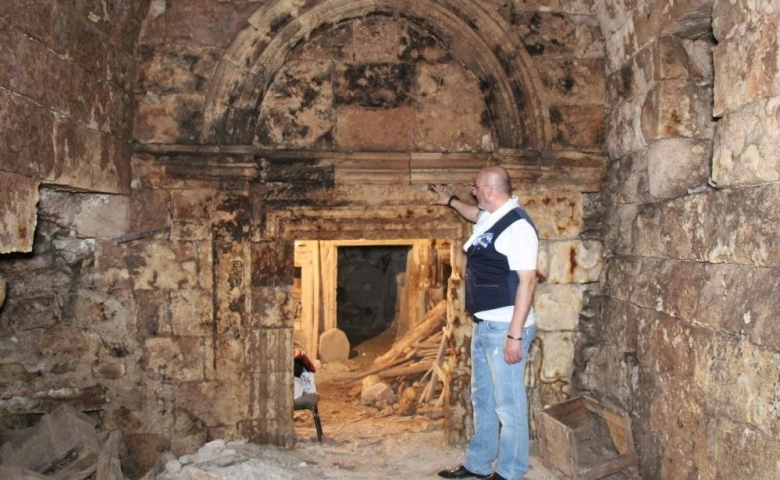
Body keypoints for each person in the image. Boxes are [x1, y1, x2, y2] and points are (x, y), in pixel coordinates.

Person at [431, 165, 539, 480]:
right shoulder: (494, 217)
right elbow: (475, 215)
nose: (474, 192)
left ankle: (510, 472)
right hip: (485, 326)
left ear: (490, 190)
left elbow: (528, 282)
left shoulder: (518, 227)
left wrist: (515, 336)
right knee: (484, 399)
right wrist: (449, 201)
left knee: (509, 405)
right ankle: (478, 464)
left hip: (505, 328)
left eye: (476, 188)